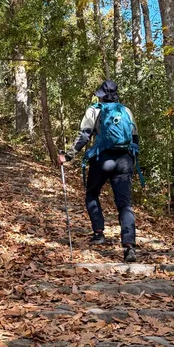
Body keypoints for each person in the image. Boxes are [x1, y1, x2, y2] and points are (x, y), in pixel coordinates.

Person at [58, 80, 139, 263]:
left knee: (92, 194)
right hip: (124, 160)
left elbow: (85, 136)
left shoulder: (94, 110)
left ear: (101, 95)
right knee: (124, 204)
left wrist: (68, 156)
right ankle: (129, 247)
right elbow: (135, 138)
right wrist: (131, 162)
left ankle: (99, 233)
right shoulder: (126, 111)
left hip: (102, 159)